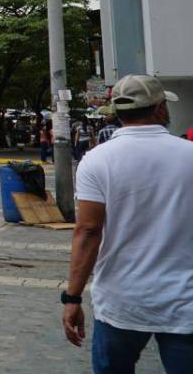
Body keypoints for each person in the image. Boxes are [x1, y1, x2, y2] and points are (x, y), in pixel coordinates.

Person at [62, 74, 193, 372]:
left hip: (121, 302)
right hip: (184, 303)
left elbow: (88, 231)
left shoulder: (97, 160)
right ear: (160, 109)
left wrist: (72, 297)